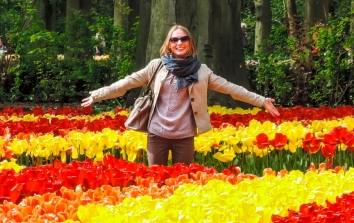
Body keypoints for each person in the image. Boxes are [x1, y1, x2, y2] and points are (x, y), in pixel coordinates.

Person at [81, 24, 280, 166]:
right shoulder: (156, 66)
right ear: (168, 44)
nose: (179, 42)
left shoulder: (202, 71)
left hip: (184, 137)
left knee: (182, 184)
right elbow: (126, 83)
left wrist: (261, 101)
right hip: (157, 134)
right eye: (174, 39)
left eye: (183, 39)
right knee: (156, 184)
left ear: (190, 43)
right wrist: (98, 95)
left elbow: (231, 88)